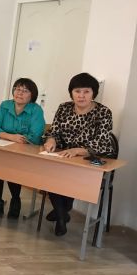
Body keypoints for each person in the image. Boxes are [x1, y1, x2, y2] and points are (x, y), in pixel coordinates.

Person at [43, 72, 114, 236]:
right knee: (48, 172)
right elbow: (54, 132)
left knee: (71, 176)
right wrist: (51, 140)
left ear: (93, 93)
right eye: (77, 91)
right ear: (71, 93)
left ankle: (61, 212)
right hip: (63, 156)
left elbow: (102, 143)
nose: (81, 96)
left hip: (88, 158)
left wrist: (77, 150)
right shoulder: (64, 108)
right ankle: (62, 214)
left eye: (86, 91)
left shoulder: (103, 112)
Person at [0, 78, 45, 218]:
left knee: (12, 165)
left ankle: (15, 200)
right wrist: (12, 137)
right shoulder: (5, 105)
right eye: (17, 89)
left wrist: (10, 137)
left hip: (26, 151)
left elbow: (35, 135)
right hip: (3, 147)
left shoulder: (36, 110)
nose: (20, 93)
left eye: (25, 91)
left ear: (32, 95)